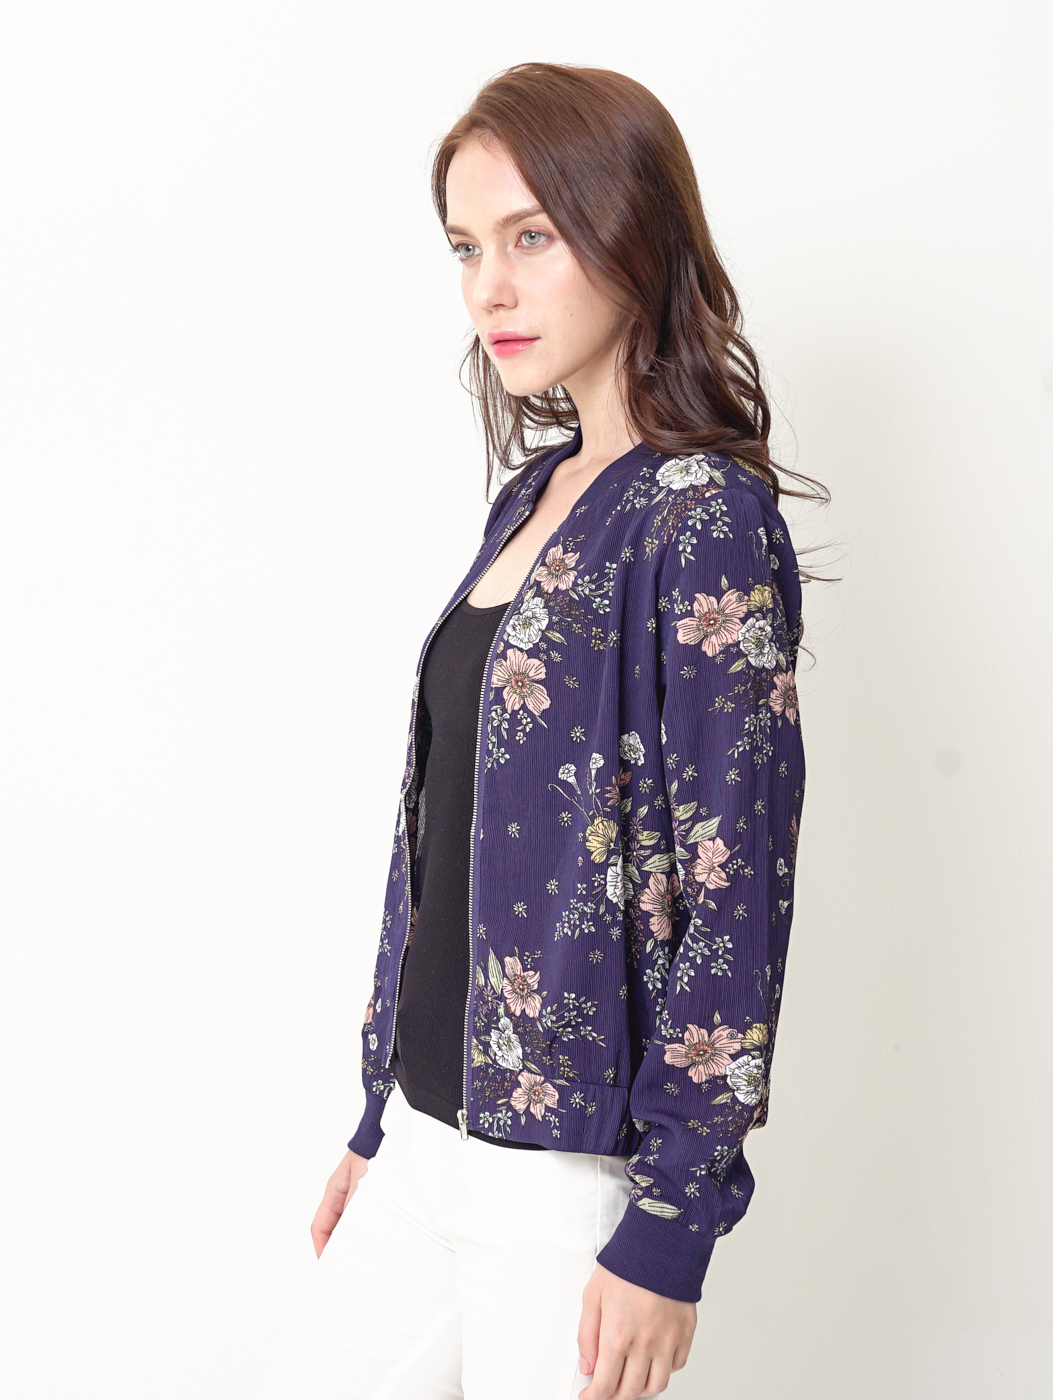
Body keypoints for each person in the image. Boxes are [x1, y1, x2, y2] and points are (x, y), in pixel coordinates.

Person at [265, 62, 824, 1400]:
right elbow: (444, 824)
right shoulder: (531, 495)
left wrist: (672, 1230)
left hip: (565, 1183)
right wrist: (379, 1117)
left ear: (629, 230)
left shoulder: (705, 520)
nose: (489, 289)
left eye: (531, 237)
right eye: (467, 248)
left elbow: (737, 890)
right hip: (424, 1142)